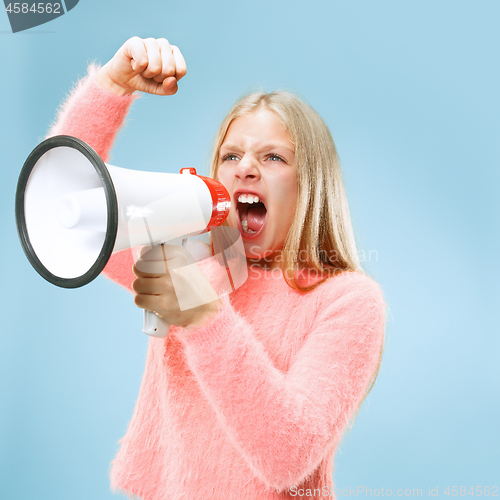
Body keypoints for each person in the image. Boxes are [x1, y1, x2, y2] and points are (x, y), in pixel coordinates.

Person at [47, 36, 387, 500]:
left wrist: (204, 316)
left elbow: (288, 458)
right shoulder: (191, 254)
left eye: (272, 157)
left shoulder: (348, 301)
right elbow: (65, 207)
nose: (245, 168)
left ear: (309, 183)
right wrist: (111, 85)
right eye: (232, 155)